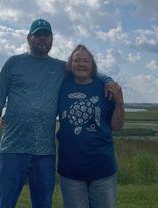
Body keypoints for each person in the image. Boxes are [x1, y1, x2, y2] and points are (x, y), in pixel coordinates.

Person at [0, 19, 115, 208]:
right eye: (37, 35)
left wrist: (108, 80)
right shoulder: (14, 63)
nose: (42, 39)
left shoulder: (60, 68)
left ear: (51, 39)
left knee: (43, 204)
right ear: (29, 38)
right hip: (13, 148)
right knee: (5, 203)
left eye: (46, 35)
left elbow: (87, 69)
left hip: (45, 153)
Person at [57, 44, 124, 208]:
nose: (81, 64)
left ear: (92, 64)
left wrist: (120, 102)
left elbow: (117, 126)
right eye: (77, 60)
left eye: (86, 61)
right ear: (70, 64)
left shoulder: (105, 87)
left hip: (102, 168)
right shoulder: (61, 86)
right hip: (71, 169)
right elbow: (42, 105)